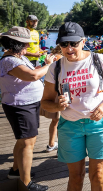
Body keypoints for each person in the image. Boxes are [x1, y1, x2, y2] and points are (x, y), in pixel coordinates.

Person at [41, 22, 103, 191]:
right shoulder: (55, 67)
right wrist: (57, 106)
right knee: (76, 177)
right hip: (70, 126)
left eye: (73, 43)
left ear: (83, 42)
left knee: (98, 175)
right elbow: (45, 102)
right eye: (64, 44)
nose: (69, 48)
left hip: (99, 125)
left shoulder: (98, 59)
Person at [0, 26, 56, 191]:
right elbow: (33, 76)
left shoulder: (17, 58)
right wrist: (51, 65)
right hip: (20, 106)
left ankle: (16, 171)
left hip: (27, 105)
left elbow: (32, 72)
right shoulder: (9, 60)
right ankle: (26, 183)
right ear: (16, 44)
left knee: (24, 140)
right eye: (25, 44)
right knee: (27, 143)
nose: (27, 47)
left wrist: (44, 65)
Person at [40, 45, 64, 154]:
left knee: (55, 121)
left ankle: (51, 144)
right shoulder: (60, 59)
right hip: (59, 93)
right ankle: (60, 149)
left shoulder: (50, 56)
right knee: (61, 122)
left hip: (50, 92)